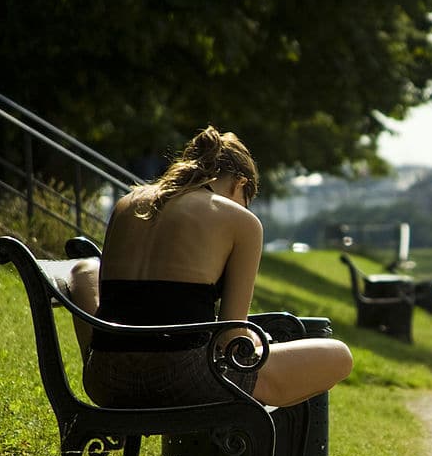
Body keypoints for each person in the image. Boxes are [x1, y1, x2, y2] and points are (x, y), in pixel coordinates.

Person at [73, 125, 353, 408]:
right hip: (180, 380)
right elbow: (231, 339)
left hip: (106, 380)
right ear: (239, 184)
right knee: (339, 355)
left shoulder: (126, 203)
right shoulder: (241, 222)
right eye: (247, 202)